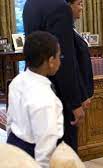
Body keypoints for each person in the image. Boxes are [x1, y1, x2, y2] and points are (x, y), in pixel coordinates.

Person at [23, 0, 90, 151]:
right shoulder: (59, 7)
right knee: (64, 151)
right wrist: (75, 102)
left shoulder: (30, 3)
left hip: (35, 87)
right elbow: (64, 60)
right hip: (57, 94)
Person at [6, 31, 63, 168]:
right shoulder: (45, 98)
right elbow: (46, 144)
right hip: (31, 154)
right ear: (50, 62)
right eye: (58, 56)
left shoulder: (17, 81)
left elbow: (10, 120)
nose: (60, 60)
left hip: (13, 145)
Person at [67, 0, 94, 106]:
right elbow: (72, 66)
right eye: (79, 4)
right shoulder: (67, 32)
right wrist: (82, 95)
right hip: (77, 96)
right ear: (68, 6)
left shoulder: (72, 29)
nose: (82, 8)